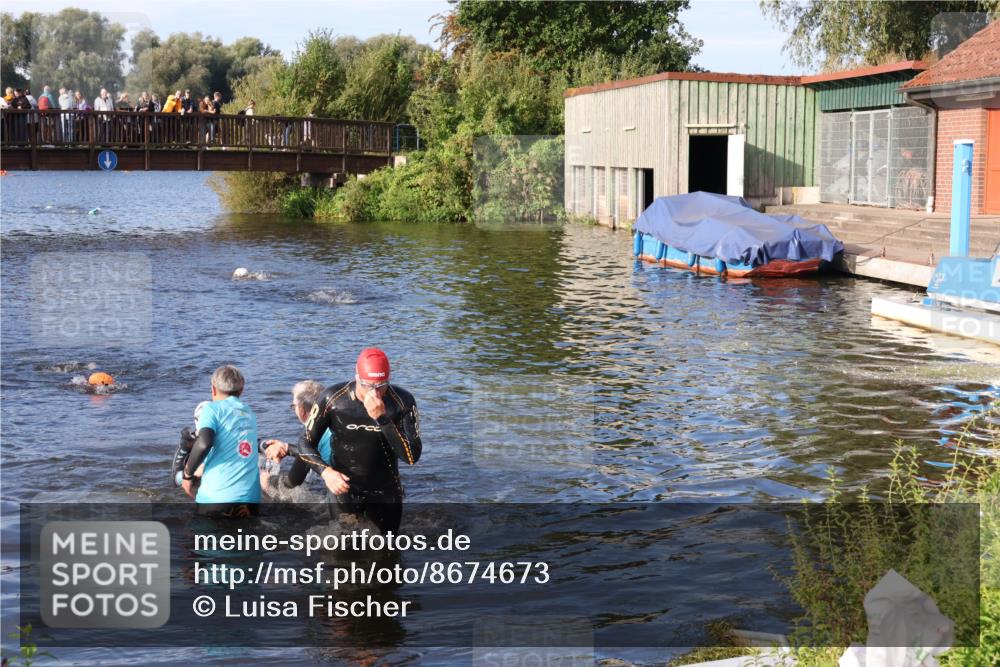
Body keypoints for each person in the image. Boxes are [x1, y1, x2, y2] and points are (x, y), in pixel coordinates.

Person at [266, 348, 422, 535]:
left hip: (385, 491)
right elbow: (305, 442)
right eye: (367, 385)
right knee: (344, 547)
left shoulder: (402, 402)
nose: (375, 393)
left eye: (381, 385)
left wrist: (382, 419)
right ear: (357, 376)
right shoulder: (332, 399)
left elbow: (412, 457)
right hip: (344, 488)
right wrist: (326, 472)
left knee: (388, 551)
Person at [181, 365, 261, 518]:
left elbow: (204, 442)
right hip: (251, 500)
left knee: (202, 540)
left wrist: (188, 475)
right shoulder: (249, 412)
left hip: (216, 499)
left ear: (213, 389)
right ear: (241, 390)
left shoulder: (211, 409)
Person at [259, 381, 333, 494]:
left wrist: (269, 481)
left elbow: (293, 481)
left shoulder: (311, 434)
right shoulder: (337, 422)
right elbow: (316, 453)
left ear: (302, 410)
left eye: (293, 406)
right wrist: (287, 448)